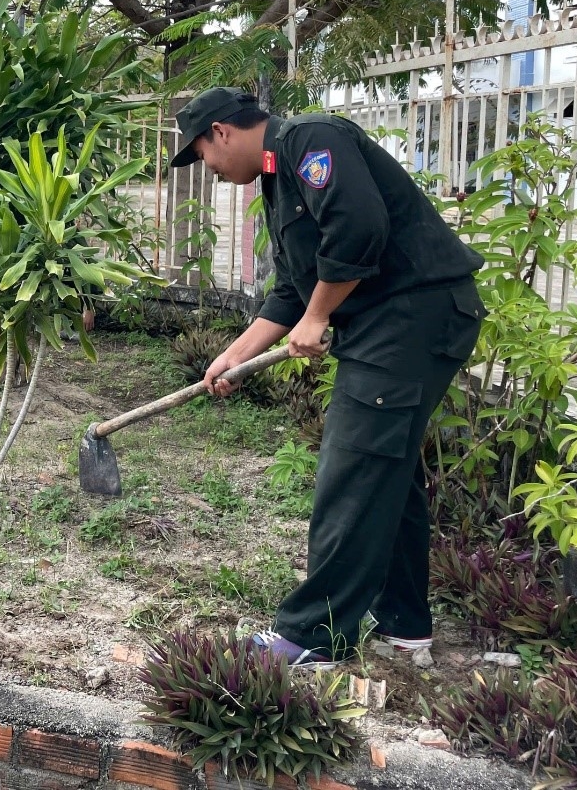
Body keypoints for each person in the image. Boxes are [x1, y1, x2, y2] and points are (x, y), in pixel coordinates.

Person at [170, 87, 485, 665]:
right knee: (385, 470)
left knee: (356, 467)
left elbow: (359, 229)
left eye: (202, 155)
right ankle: (404, 624)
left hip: (412, 318)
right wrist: (236, 353)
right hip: (394, 325)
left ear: (221, 131)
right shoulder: (278, 177)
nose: (208, 170)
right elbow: (294, 285)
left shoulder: (312, 141)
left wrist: (318, 318)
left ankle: (314, 635)